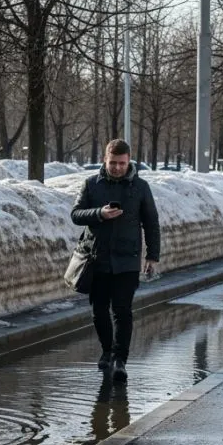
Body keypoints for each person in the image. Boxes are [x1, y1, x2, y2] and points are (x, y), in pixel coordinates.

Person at [70, 139, 160, 382]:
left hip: (127, 260)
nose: (118, 167)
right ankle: (107, 351)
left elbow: (151, 222)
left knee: (122, 311)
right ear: (105, 160)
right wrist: (99, 213)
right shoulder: (91, 184)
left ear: (129, 160)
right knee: (99, 311)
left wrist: (152, 256)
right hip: (97, 258)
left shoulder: (140, 187)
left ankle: (120, 359)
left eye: (122, 163)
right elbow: (76, 215)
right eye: (113, 163)